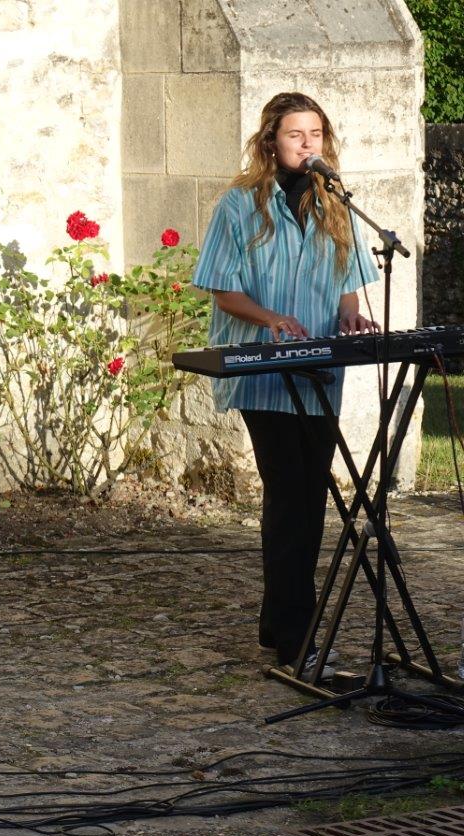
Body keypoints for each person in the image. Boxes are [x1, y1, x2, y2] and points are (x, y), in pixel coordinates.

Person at [192, 92, 379, 678]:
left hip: (320, 368)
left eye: (316, 134)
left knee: (311, 497)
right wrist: (270, 318)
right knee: (290, 492)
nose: (307, 145)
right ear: (271, 139)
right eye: (296, 134)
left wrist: (350, 312)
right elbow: (223, 289)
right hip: (264, 371)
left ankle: (279, 624)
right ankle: (296, 637)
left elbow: (347, 276)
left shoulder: (335, 203)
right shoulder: (239, 205)